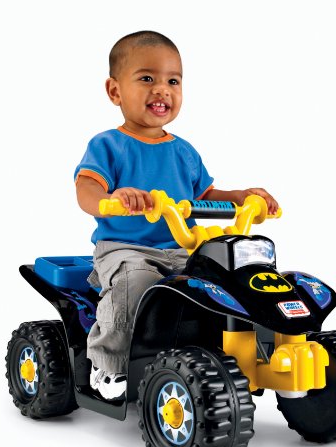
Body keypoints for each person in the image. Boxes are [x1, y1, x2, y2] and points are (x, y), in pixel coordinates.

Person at [74, 30, 279, 401]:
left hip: (185, 250)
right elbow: (86, 189)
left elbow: (205, 196)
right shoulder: (108, 145)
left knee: (234, 281)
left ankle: (246, 354)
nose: (162, 90)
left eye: (173, 81)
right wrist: (112, 198)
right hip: (127, 249)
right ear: (115, 91)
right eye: (146, 78)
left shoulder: (184, 151)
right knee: (134, 286)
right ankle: (108, 365)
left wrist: (239, 197)